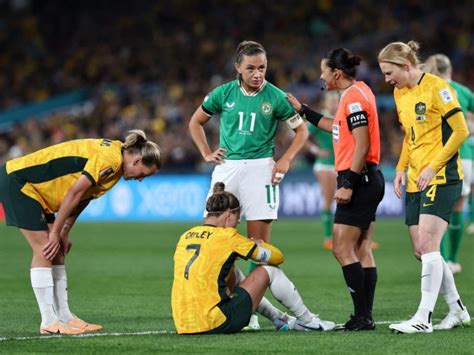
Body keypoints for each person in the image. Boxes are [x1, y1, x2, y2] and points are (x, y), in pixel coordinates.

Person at [188, 40, 308, 329]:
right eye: (251, 68)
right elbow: (196, 122)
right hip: (226, 169)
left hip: (260, 170)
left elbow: (301, 131)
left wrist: (286, 159)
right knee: (218, 243)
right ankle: (234, 302)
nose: (258, 73)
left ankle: (250, 308)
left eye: (262, 67)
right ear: (238, 69)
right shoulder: (223, 93)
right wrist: (206, 153)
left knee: (259, 246)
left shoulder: (276, 97)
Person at [0, 130, 162, 335]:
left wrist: (63, 232)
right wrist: (55, 232)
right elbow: (74, 192)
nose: (141, 179)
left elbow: (83, 197)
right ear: (137, 161)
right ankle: (49, 321)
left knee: (57, 250)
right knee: (44, 249)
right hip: (19, 182)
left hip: (39, 192)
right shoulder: (110, 160)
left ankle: (65, 316)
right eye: (144, 174)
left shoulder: (116, 163)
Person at [287, 48, 385, 331]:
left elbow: (362, 143)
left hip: (359, 178)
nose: (321, 76)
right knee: (361, 248)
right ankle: (364, 316)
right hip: (369, 177)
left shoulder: (353, 98)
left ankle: (361, 316)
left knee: (342, 248)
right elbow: (336, 127)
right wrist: (304, 111)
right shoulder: (360, 91)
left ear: (336, 73)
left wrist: (348, 184)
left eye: (323, 71)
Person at [378, 41, 470, 333]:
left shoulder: (438, 88)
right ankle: (456, 309)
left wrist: (434, 165)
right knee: (421, 249)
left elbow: (461, 131)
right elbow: (409, 135)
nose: (386, 79)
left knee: (429, 245)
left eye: (389, 72)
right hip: (417, 177)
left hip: (442, 177)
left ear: (407, 66)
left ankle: (423, 318)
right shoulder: (399, 92)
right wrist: (401, 168)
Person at [171, 182, 335, 334]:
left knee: (231, 272)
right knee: (269, 270)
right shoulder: (229, 238)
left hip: (183, 324)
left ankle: (279, 318)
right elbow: (277, 257)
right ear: (228, 215)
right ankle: (308, 321)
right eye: (237, 218)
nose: (237, 223)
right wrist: (258, 244)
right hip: (215, 322)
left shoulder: (186, 236)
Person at [423, 54, 474, 274]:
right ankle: (451, 259)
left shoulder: (427, 89)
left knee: (437, 211)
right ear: (450, 70)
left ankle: (440, 261)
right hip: (464, 156)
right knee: (458, 208)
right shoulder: (463, 92)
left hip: (434, 157)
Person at [305, 92, 338, 250]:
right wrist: (316, 150)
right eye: (331, 100)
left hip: (340, 164)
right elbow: (302, 135)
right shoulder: (320, 119)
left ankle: (344, 237)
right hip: (325, 164)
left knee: (340, 200)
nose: (334, 103)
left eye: (336, 100)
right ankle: (328, 237)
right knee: (329, 199)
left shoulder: (340, 117)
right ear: (325, 103)